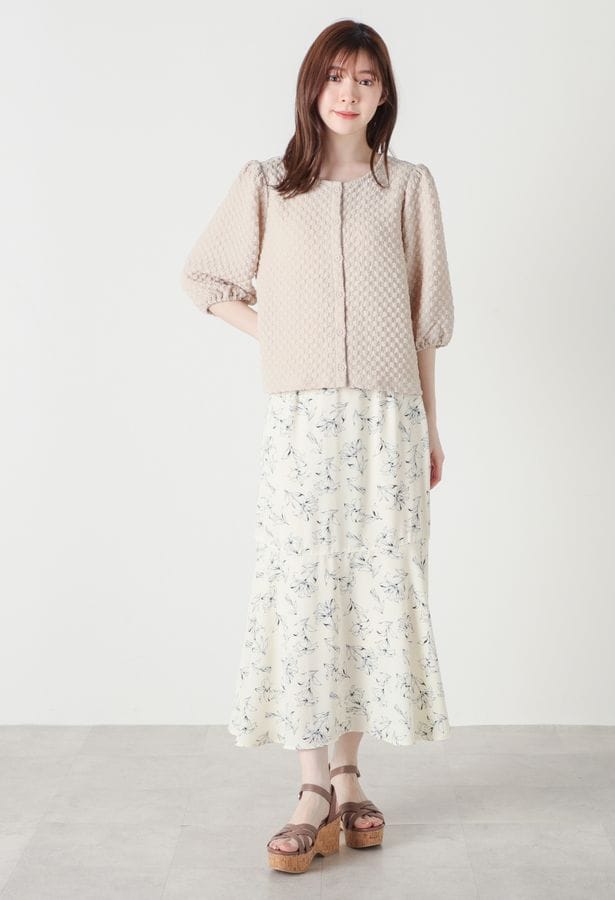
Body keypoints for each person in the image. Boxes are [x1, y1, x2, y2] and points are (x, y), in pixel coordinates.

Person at [181, 19, 455, 875]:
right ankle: (310, 788)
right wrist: (280, 335)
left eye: (366, 79)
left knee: (371, 589)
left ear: (384, 94)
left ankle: (349, 776)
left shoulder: (408, 187)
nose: (349, 92)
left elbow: (425, 322)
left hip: (388, 421)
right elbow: (204, 278)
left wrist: (432, 424)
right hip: (302, 422)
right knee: (303, 592)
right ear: (312, 85)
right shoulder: (267, 184)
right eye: (336, 76)